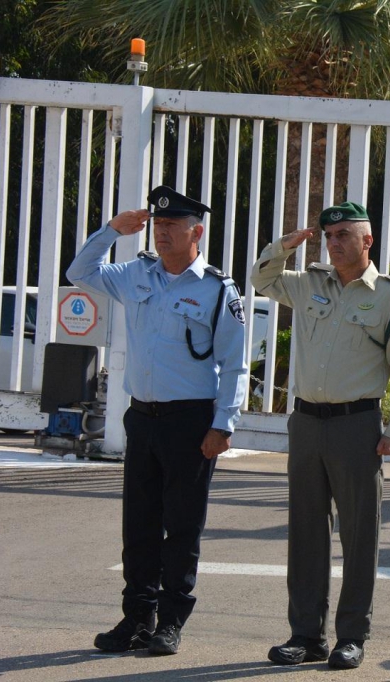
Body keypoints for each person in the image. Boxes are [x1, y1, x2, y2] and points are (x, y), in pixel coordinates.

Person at [68, 186, 247, 656]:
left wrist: (223, 425)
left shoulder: (216, 289)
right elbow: (79, 271)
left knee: (182, 527)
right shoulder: (136, 274)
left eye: (174, 226)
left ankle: (170, 622)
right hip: (142, 418)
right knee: (140, 525)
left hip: (191, 421)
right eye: (159, 226)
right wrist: (111, 231)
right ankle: (136, 618)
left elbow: (234, 363)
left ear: (197, 232)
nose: (163, 233)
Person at [251, 202, 390, 670]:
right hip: (306, 423)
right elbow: (261, 281)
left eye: (345, 234)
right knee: (306, 533)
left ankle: (352, 636)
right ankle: (306, 635)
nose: (335, 242)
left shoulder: (388, 295)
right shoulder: (309, 283)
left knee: (359, 534)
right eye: (329, 236)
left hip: (356, 426)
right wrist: (282, 247)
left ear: (368, 241)